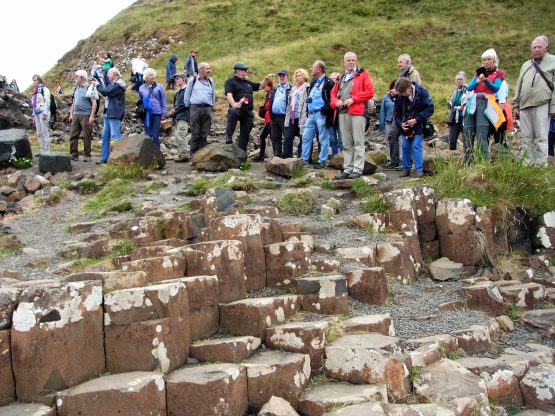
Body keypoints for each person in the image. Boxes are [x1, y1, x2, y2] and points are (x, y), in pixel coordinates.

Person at [513, 35, 555, 166]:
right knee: (526, 138)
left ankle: (540, 165)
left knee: (541, 137)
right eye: (534, 47)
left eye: (539, 47)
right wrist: (515, 105)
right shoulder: (526, 65)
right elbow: (519, 85)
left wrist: (553, 107)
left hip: (542, 104)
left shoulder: (553, 61)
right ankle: (528, 165)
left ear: (546, 47)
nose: (536, 49)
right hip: (525, 105)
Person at [331, 52, 374, 179]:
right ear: (343, 62)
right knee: (346, 143)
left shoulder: (363, 74)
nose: (351, 62)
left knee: (358, 142)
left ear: (356, 61)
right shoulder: (340, 77)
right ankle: (348, 169)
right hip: (342, 113)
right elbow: (332, 96)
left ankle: (358, 169)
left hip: (358, 112)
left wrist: (354, 99)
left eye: (353, 60)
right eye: (348, 60)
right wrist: (336, 102)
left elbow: (369, 92)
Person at [463, 48, 505, 163]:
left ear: (494, 60)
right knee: (467, 130)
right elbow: (469, 87)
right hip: (473, 102)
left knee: (482, 132)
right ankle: (468, 161)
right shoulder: (479, 72)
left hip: (486, 102)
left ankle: (484, 162)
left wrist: (486, 81)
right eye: (484, 59)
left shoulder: (499, 73)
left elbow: (496, 88)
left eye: (488, 59)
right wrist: (477, 81)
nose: (486, 61)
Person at [224, 62, 271, 151]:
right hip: (238, 109)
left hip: (248, 112)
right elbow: (229, 94)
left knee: (245, 134)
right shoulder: (230, 82)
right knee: (233, 111)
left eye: (247, 70)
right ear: (238, 71)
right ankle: (228, 136)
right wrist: (234, 104)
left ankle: (242, 156)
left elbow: (260, 86)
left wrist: (266, 79)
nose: (246, 72)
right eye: (245, 70)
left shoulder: (248, 83)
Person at [393, 77, 434, 177]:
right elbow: (396, 114)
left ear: (409, 87)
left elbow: (430, 108)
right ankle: (406, 169)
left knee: (416, 145)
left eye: (404, 92)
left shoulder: (421, 92)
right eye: (400, 93)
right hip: (405, 125)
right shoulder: (400, 96)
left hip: (419, 124)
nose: (403, 95)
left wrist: (417, 119)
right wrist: (400, 124)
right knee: (405, 146)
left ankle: (419, 170)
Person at [300, 60, 335, 169]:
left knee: (323, 138)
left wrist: (325, 109)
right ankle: (304, 160)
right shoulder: (313, 82)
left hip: (321, 114)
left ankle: (322, 161)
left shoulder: (329, 82)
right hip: (311, 115)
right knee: (306, 137)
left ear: (319, 69)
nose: (311, 69)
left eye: (313, 67)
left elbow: (332, 99)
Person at [94, 67, 126, 164]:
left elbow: (106, 92)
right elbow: (106, 91)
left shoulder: (119, 85)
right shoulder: (114, 84)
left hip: (114, 113)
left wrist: (97, 85)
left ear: (114, 74)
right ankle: (105, 158)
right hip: (108, 112)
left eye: (109, 74)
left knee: (115, 135)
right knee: (105, 136)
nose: (107, 76)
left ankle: (118, 159)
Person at [184, 62, 216, 154]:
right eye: (207, 69)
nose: (209, 71)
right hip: (195, 108)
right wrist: (188, 108)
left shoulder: (210, 81)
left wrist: (212, 106)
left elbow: (213, 95)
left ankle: (202, 156)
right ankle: (193, 156)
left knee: (204, 134)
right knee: (195, 133)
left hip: (207, 109)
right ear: (201, 69)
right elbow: (187, 95)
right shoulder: (192, 80)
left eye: (209, 69)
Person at [69, 70, 98, 162]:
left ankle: (87, 155)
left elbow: (94, 103)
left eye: (76, 76)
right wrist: (71, 114)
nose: (75, 78)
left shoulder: (90, 87)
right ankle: (73, 154)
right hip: (76, 114)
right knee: (73, 134)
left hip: (86, 114)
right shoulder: (76, 88)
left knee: (87, 135)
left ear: (82, 78)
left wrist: (92, 116)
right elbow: (73, 102)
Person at [283, 69, 309, 158]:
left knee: (303, 137)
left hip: (303, 116)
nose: (298, 77)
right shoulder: (293, 88)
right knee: (288, 137)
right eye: (296, 76)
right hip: (292, 116)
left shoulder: (307, 87)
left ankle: (302, 158)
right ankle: (286, 157)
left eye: (300, 75)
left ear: (304, 76)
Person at [139, 68, 167, 148]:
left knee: (155, 135)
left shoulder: (159, 86)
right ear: (146, 77)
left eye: (153, 75)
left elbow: (163, 100)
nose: (152, 76)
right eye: (150, 75)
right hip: (146, 114)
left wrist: (163, 113)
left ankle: (157, 154)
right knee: (147, 135)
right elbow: (140, 101)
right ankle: (148, 154)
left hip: (156, 113)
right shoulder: (141, 88)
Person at [268, 69, 291, 158]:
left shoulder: (291, 88)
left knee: (287, 138)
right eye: (280, 76)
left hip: (285, 117)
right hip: (274, 117)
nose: (281, 77)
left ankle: (288, 157)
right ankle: (277, 156)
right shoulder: (275, 88)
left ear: (287, 77)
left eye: (283, 76)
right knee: (275, 138)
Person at [169, 73, 190, 162]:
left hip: (184, 116)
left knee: (181, 135)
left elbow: (186, 104)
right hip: (178, 117)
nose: (176, 80)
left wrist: (175, 110)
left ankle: (184, 155)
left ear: (183, 79)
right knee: (179, 136)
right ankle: (182, 154)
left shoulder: (187, 91)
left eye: (178, 78)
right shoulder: (178, 92)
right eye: (175, 79)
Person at [253, 80, 273, 162]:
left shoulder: (271, 94)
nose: (264, 87)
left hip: (270, 119)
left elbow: (268, 106)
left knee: (272, 138)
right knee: (263, 136)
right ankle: (261, 156)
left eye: (265, 86)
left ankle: (276, 157)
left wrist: (263, 109)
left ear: (269, 86)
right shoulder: (268, 94)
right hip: (268, 119)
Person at [446, 71, 467, 151]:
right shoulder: (455, 91)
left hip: (464, 118)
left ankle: (467, 157)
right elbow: (452, 106)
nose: (459, 81)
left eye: (461, 79)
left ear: (465, 79)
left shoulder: (468, 90)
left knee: (467, 139)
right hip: (455, 118)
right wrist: (449, 103)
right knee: (452, 139)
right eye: (457, 79)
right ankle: (452, 157)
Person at [31, 74, 51, 153]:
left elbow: (47, 101)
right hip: (36, 113)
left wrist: (45, 113)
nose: (34, 82)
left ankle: (47, 150)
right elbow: (34, 104)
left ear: (39, 80)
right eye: (33, 80)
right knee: (39, 132)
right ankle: (42, 150)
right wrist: (33, 114)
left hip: (43, 112)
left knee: (44, 131)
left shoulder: (44, 89)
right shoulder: (35, 91)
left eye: (35, 80)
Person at [380, 80, 397, 163]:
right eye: (394, 86)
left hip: (398, 122)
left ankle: (400, 158)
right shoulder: (386, 97)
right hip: (388, 121)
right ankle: (389, 158)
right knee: (388, 140)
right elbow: (382, 110)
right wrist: (381, 123)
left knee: (399, 141)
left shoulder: (402, 96)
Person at [492, 79, 512, 145]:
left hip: (500, 108)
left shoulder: (500, 82)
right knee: (498, 134)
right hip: (497, 106)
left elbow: (502, 100)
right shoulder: (497, 81)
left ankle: (501, 151)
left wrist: (499, 116)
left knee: (499, 133)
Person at [328, 72, 344, 157]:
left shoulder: (342, 89)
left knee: (342, 139)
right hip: (331, 119)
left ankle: (343, 157)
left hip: (341, 118)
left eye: (336, 78)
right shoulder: (327, 89)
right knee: (333, 139)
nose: (333, 80)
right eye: (332, 78)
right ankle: (334, 157)